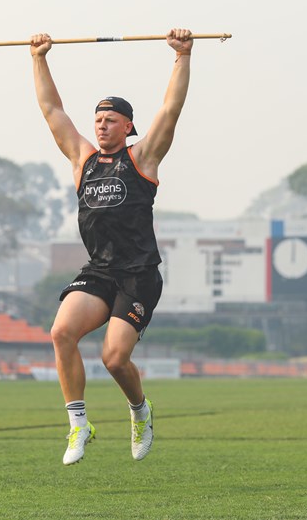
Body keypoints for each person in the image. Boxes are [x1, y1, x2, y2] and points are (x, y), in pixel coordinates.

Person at [30, 28, 193, 465]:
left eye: (110, 120)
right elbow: (51, 109)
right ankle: (78, 424)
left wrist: (182, 56)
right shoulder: (82, 159)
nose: (101, 124)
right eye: (98, 119)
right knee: (61, 332)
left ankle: (140, 412)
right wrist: (39, 57)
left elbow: (171, 109)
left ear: (128, 126)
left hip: (138, 274)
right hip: (100, 270)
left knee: (114, 358)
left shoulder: (143, 159)